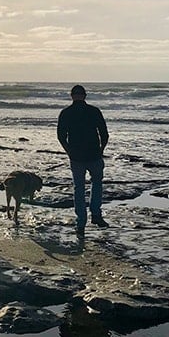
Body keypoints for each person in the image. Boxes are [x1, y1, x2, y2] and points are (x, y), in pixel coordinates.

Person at [57, 85, 109, 235]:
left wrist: (69, 151)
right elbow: (104, 134)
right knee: (97, 184)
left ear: (72, 96)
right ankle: (96, 215)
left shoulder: (66, 113)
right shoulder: (94, 111)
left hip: (76, 156)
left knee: (79, 188)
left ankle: (81, 222)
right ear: (85, 96)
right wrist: (101, 150)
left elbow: (61, 136)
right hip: (94, 154)